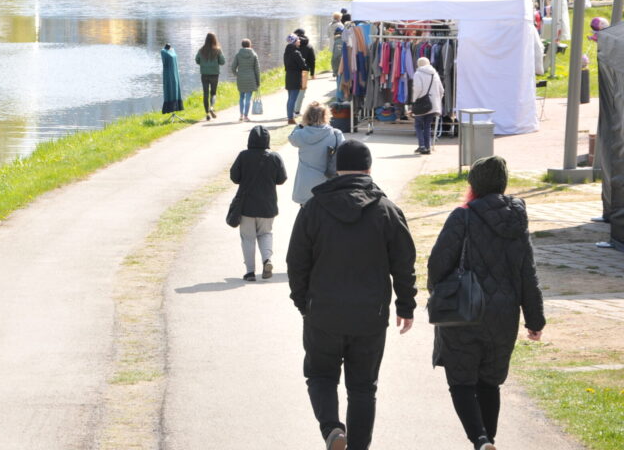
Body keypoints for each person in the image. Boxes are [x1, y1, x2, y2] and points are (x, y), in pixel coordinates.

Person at [286, 140, 417, 450]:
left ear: (336, 169)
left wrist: (304, 303)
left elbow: (296, 262)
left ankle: (333, 430)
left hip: (323, 312)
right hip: (370, 317)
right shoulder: (387, 211)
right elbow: (404, 263)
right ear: (369, 169)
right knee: (362, 388)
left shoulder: (313, 209)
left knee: (320, 376)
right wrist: (405, 305)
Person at [428, 156, 545, 450]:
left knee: (461, 381)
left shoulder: (462, 216)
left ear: (473, 185)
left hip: (463, 312)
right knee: (489, 383)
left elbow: (437, 264)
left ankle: (480, 440)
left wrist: (438, 292)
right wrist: (535, 320)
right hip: (503, 318)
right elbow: (527, 274)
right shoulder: (517, 221)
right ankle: (488, 440)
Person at [229, 125, 287, 282]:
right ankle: (267, 259)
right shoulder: (274, 157)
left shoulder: (243, 156)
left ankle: (250, 272)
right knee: (266, 234)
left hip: (246, 206)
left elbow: (235, 177)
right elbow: (281, 179)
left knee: (248, 238)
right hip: (268, 205)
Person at [288, 102, 344, 206]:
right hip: (328, 184)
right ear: (326, 116)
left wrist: (300, 125)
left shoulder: (300, 134)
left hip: (305, 186)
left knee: (307, 219)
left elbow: (291, 138)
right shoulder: (336, 134)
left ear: (307, 116)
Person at [411, 56, 444, 155]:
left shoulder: (418, 74)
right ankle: (427, 147)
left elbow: (417, 89)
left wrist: (414, 100)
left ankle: (422, 146)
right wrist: (437, 101)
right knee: (427, 126)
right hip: (433, 105)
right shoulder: (435, 74)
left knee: (418, 125)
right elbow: (441, 90)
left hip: (421, 104)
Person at [195, 32, 227, 121]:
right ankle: (212, 107)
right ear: (214, 40)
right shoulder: (217, 50)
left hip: (204, 74)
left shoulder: (201, 50)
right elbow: (222, 62)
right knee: (213, 93)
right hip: (214, 74)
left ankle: (207, 114)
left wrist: (203, 64)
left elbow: (197, 60)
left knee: (205, 93)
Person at [232, 38, 260, 122]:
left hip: (241, 78)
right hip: (251, 79)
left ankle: (240, 115)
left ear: (242, 45)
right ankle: (246, 116)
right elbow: (257, 69)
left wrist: (237, 75)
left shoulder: (238, 55)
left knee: (241, 97)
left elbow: (233, 68)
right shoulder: (254, 54)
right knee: (248, 98)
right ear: (250, 45)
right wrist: (258, 81)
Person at [283, 34, 307, 125]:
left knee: (290, 98)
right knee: (293, 99)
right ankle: (290, 118)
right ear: (294, 41)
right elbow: (303, 66)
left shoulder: (286, 52)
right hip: (296, 77)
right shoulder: (296, 53)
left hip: (288, 76)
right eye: (298, 40)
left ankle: (290, 116)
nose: (299, 41)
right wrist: (304, 61)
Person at [294, 28, 316, 115]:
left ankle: (292, 109)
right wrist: (312, 73)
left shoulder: (294, 44)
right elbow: (312, 60)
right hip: (304, 71)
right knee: (301, 91)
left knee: (293, 90)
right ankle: (297, 110)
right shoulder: (309, 45)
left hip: (293, 70)